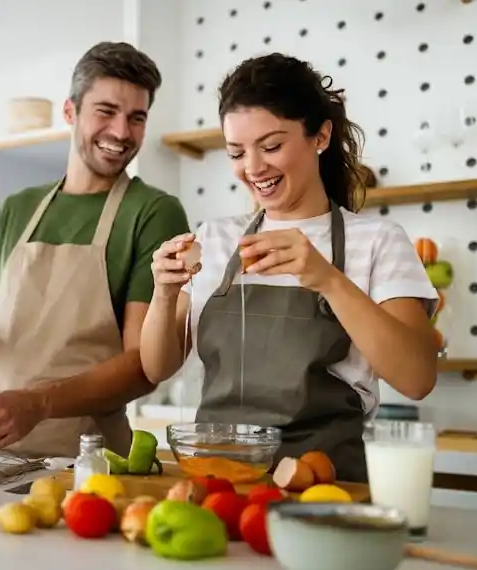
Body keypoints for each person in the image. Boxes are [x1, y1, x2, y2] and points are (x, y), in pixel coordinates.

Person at [140, 53, 439, 483]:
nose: (253, 168)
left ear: (320, 136)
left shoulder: (376, 242)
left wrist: (328, 280)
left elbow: (417, 378)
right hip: (219, 481)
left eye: (272, 146)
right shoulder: (216, 239)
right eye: (236, 152)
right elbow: (156, 368)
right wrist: (163, 292)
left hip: (326, 484)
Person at [0, 42, 191, 459]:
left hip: (84, 465)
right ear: (70, 112)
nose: (120, 132)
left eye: (136, 118)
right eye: (105, 111)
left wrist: (39, 403)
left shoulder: (153, 212)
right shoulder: (17, 208)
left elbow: (142, 366)